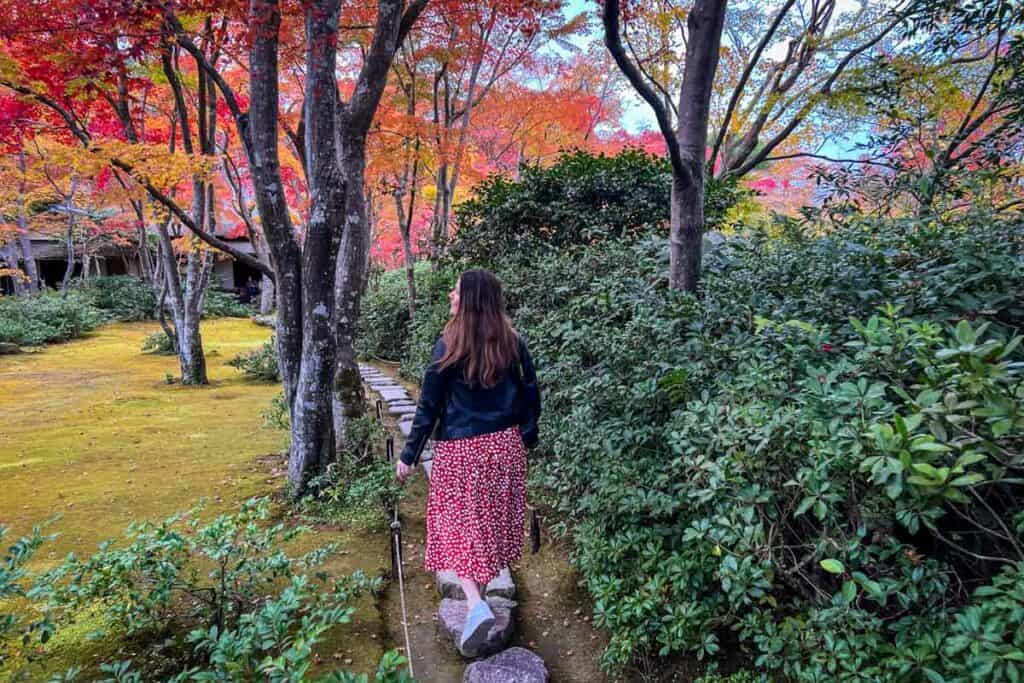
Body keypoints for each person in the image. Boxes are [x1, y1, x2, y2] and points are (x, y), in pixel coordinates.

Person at [396, 269, 541, 653]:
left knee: (453, 525)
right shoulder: (512, 342)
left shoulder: (448, 344)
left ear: (471, 298)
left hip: (462, 452)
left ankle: (475, 603)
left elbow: (428, 406)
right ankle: (482, 598)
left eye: (456, 290)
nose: (450, 294)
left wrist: (409, 455)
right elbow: (531, 392)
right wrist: (527, 435)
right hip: (505, 447)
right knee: (491, 522)